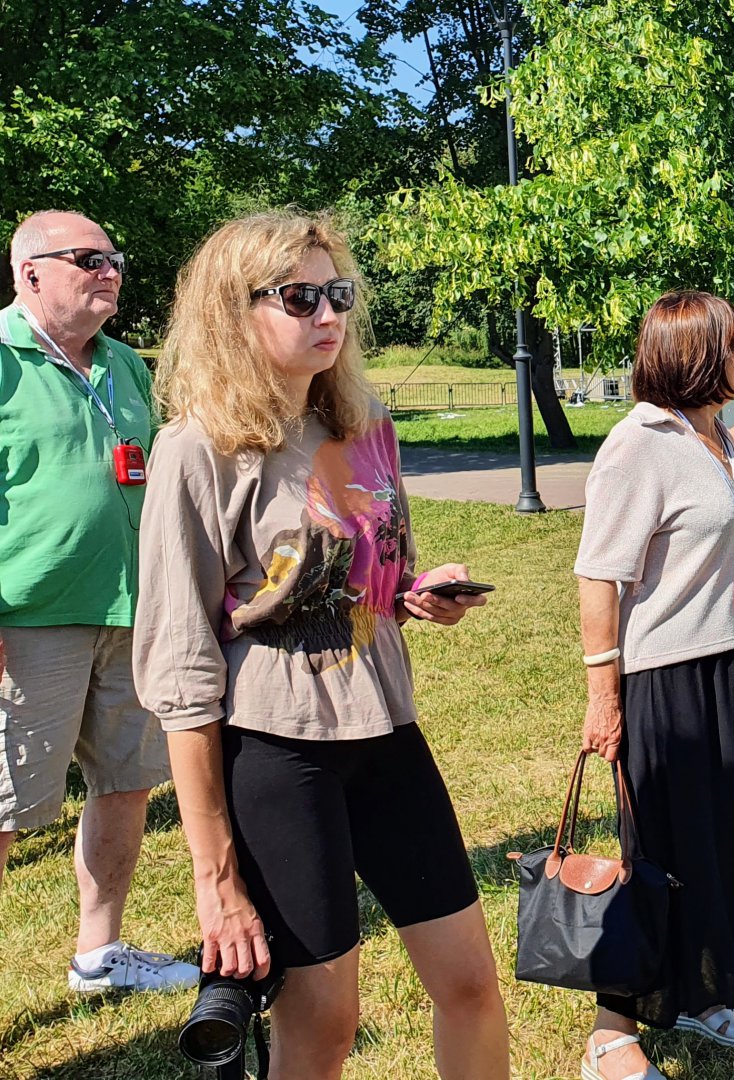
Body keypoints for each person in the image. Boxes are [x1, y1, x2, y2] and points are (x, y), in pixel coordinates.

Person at [134, 212, 508, 1079]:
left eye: (337, 294)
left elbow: (374, 579)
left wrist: (415, 594)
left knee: (470, 983)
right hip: (276, 751)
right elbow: (182, 671)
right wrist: (216, 881)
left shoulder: (363, 422)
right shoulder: (198, 449)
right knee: (326, 1021)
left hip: (386, 730)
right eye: (299, 297)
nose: (328, 315)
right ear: (233, 311)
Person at [574, 291, 734, 1079]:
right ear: (694, 353)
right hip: (665, 677)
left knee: (727, 840)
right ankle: (612, 1030)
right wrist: (604, 695)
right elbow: (599, 577)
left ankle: (703, 989)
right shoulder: (639, 444)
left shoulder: (718, 435)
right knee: (659, 849)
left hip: (729, 664)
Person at [0, 210, 197, 994]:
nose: (109, 270)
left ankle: (99, 954)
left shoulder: (123, 364)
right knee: (5, 805)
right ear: (30, 272)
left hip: (132, 612)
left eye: (114, 257)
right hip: (27, 622)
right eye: (88, 258)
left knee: (126, 781)